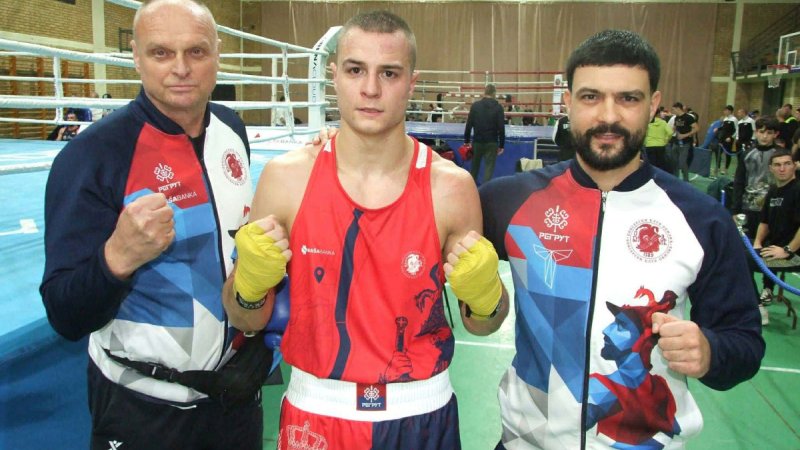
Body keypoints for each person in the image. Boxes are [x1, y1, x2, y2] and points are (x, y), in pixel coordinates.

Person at [223, 10, 508, 449]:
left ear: (411, 83)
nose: (371, 89)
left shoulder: (451, 188)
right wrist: (248, 285)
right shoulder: (287, 179)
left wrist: (488, 298)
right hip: (316, 411)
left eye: (389, 73)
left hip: (421, 415)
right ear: (335, 76)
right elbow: (244, 318)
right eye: (356, 70)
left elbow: (483, 325)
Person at [479, 29, 764, 449]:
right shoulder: (507, 201)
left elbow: (745, 342)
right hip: (525, 442)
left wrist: (710, 351)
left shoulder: (701, 219)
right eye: (590, 97)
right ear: (568, 102)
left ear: (653, 104)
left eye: (628, 98)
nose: (608, 116)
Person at [39, 1, 266, 448]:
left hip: (236, 399)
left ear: (217, 54)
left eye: (196, 52)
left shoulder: (231, 129)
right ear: (137, 58)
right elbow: (64, 315)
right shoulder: (93, 157)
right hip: (142, 410)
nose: (181, 68)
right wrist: (116, 258)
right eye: (161, 53)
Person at [751, 149, 800, 323]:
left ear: (794, 166)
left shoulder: (797, 190)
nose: (782, 168)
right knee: (739, 253)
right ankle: (765, 293)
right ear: (771, 168)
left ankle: (759, 306)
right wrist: (757, 242)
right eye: (777, 165)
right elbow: (764, 222)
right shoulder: (773, 191)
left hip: (794, 256)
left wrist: (787, 250)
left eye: (787, 164)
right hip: (774, 249)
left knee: (745, 262)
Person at [732, 116, 781, 240]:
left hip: (773, 208)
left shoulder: (781, 155)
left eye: (769, 133)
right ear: (756, 132)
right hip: (749, 206)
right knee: (747, 240)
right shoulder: (747, 154)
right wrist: (736, 209)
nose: (765, 136)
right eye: (761, 132)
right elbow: (739, 182)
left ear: (776, 134)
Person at [464, 83, 505, 184]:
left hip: (477, 141)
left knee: (474, 168)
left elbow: (469, 124)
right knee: (489, 169)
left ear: (484, 92)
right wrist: (501, 145)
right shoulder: (498, 107)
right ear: (494, 93)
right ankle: (485, 190)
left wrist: (466, 141)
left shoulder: (475, 106)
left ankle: (470, 189)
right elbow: (501, 127)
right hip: (492, 141)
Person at [670, 101, 699, 181]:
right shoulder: (676, 118)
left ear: (678, 108)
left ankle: (685, 180)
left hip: (685, 143)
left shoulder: (688, 117)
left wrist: (685, 135)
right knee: (674, 161)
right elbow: (675, 128)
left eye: (673, 109)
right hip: (676, 142)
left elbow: (696, 128)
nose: (673, 111)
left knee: (682, 162)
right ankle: (675, 179)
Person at [643, 107, 672, 172]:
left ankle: (652, 176)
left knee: (651, 164)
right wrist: (666, 140)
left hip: (649, 145)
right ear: (658, 114)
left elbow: (644, 134)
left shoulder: (647, 122)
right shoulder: (663, 122)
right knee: (661, 163)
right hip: (661, 145)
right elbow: (670, 132)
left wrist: (645, 142)